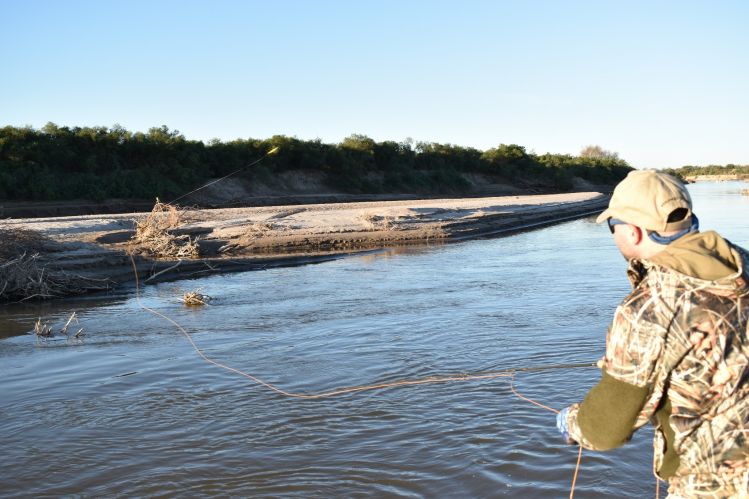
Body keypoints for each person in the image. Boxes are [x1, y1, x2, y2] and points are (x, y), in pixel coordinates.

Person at [556, 170, 749, 498]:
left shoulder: (650, 308)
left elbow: (605, 430)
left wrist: (573, 422)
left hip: (715, 483)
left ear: (632, 232)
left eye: (611, 225)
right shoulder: (742, 262)